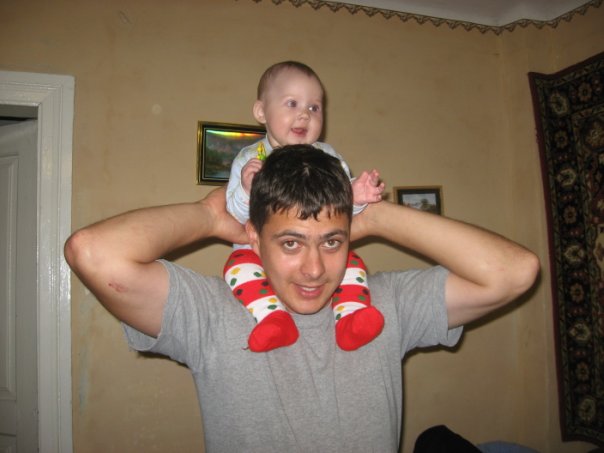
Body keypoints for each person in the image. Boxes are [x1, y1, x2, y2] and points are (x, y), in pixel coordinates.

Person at [64, 146, 539, 452]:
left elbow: (515, 272)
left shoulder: (385, 305)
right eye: (291, 243)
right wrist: (209, 216)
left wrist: (374, 217)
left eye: (332, 242)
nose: (314, 269)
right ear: (255, 238)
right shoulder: (210, 314)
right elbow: (92, 252)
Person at [226, 60, 385, 352]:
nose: (304, 114)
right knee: (238, 267)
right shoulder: (250, 158)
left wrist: (356, 196)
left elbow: (338, 213)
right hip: (257, 255)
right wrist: (247, 190)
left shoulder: (329, 158)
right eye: (292, 104)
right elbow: (235, 214)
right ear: (261, 111)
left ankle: (350, 318)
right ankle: (272, 318)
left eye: (314, 107)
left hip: (319, 253)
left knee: (351, 265)